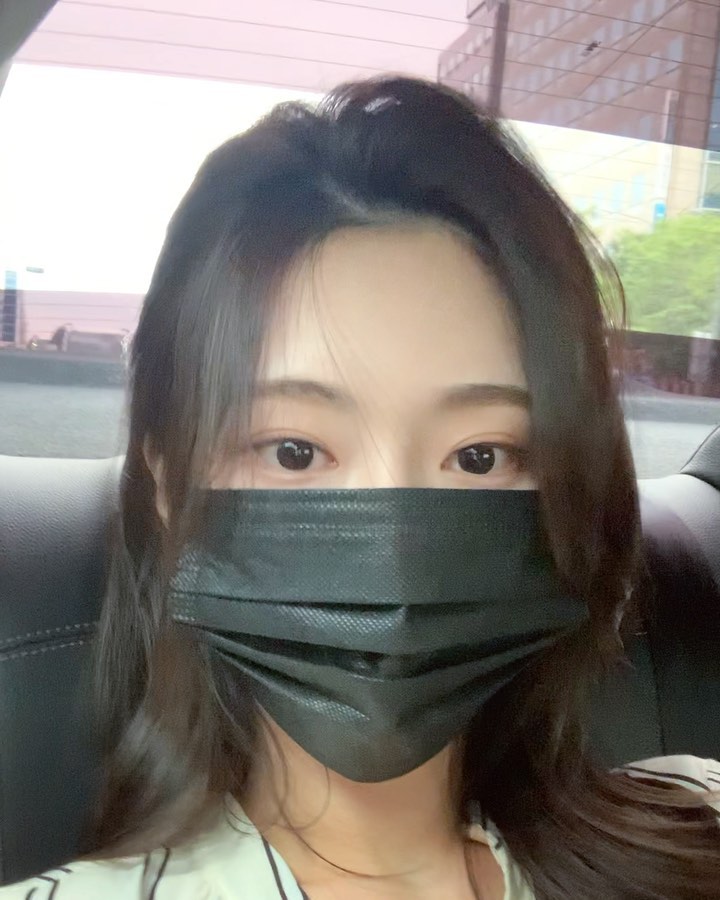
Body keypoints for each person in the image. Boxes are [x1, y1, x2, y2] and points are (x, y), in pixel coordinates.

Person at [3, 77, 718, 900]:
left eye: (480, 456)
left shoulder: (698, 812)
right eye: (295, 451)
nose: (396, 554)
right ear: (169, 490)